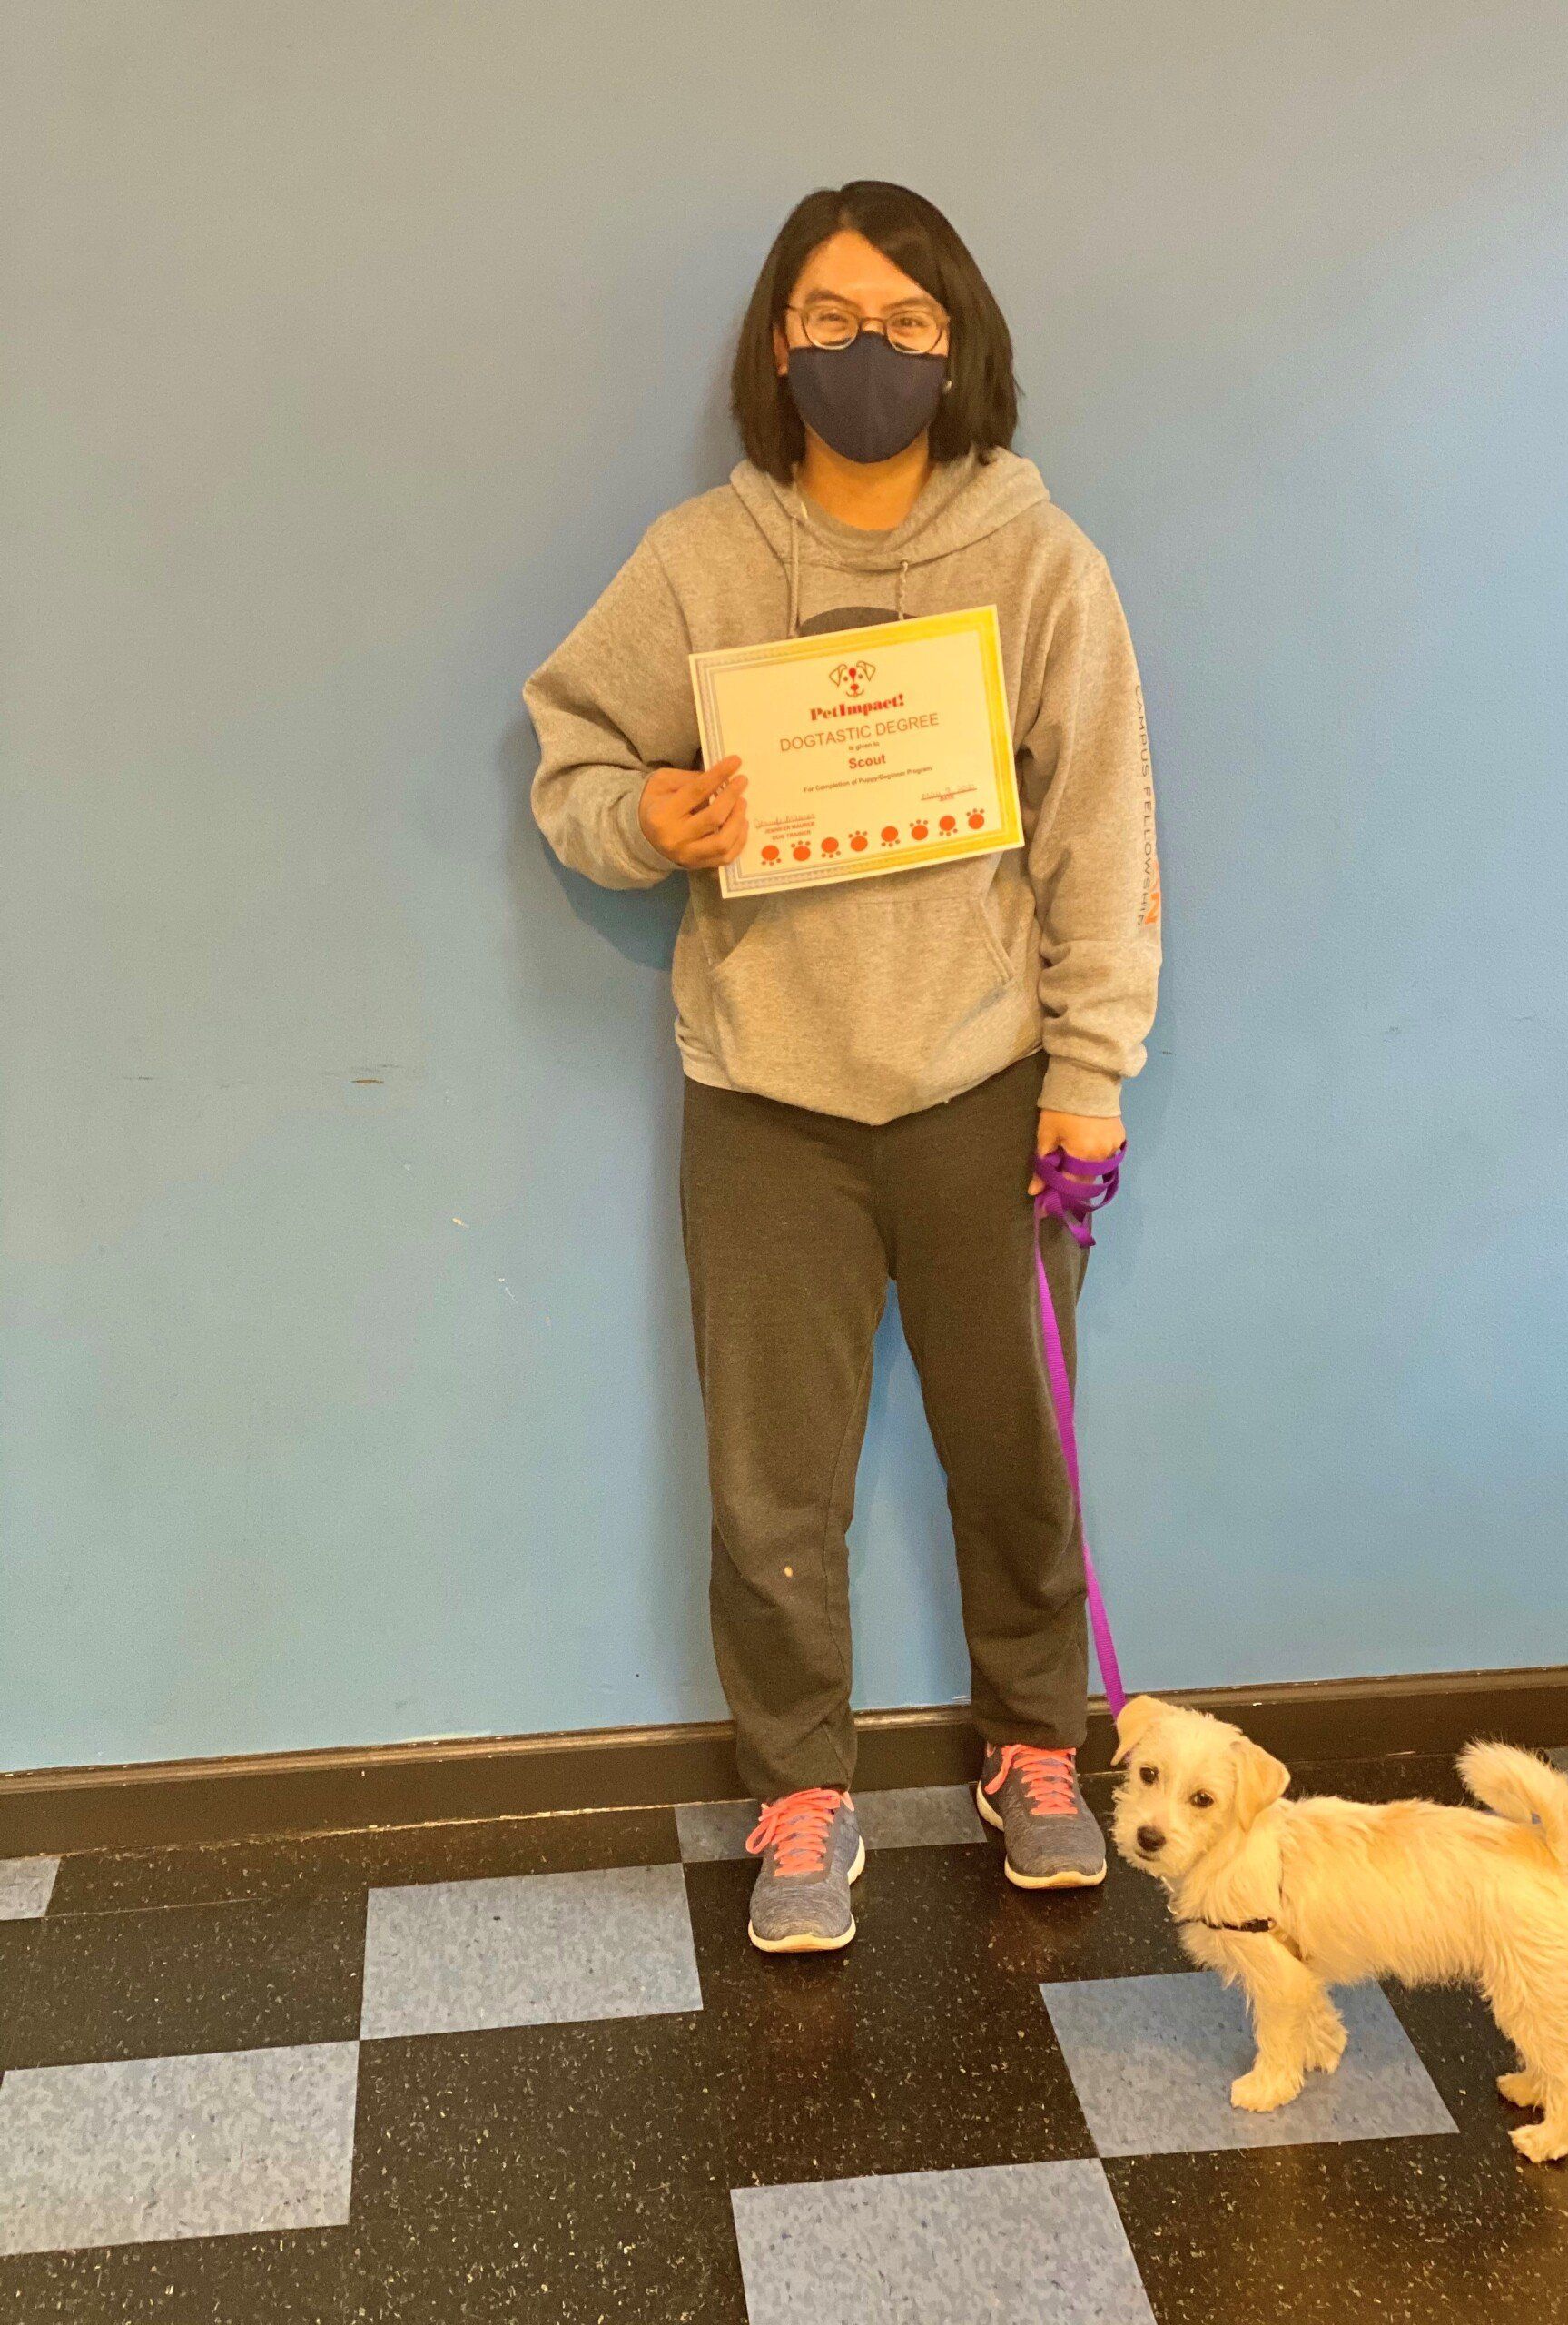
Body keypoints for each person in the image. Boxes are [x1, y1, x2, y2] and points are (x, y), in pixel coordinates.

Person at [526, 181, 1161, 1953]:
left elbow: (1103, 838)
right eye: (828, 319)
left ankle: (1037, 1746)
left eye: (902, 322)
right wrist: (647, 812)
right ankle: (797, 1786)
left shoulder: (1040, 560)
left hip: (987, 1089)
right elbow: (573, 760)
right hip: (767, 1104)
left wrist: (1089, 1074)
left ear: (957, 345)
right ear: (774, 344)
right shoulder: (699, 562)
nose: (864, 352)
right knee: (769, 1478)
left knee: (1020, 1449)